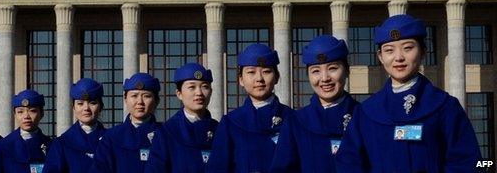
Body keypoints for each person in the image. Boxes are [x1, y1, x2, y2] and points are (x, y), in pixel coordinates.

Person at [335, 14, 483, 172]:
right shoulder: (366, 112)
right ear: (380, 57)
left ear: (423, 52)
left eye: (408, 48)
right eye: (389, 50)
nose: (398, 57)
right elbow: (348, 163)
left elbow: (468, 163)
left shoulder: (445, 107)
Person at [270, 35, 359, 172]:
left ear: (347, 70)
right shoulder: (296, 122)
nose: (324, 78)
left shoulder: (363, 116)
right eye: (316, 71)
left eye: (333, 68)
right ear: (308, 76)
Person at [206, 43, 293, 173]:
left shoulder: (293, 119)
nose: (259, 79)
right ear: (240, 80)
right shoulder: (230, 123)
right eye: (251, 72)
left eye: (266, 71)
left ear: (277, 77)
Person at [146, 63, 219, 173]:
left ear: (211, 91)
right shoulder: (166, 132)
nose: (199, 93)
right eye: (191, 87)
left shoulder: (220, 130)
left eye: (205, 87)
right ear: (179, 94)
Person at [90, 72, 162, 173]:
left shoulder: (166, 135)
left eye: (146, 96)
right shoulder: (111, 137)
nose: (139, 102)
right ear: (125, 99)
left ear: (157, 101)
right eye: (134, 96)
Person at [43, 78, 107, 173]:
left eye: (92, 103)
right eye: (80, 104)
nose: (86, 108)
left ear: (101, 107)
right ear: (73, 107)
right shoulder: (61, 144)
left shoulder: (113, 141)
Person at [0, 89, 52, 173]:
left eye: (32, 111)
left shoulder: (52, 146)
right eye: (20, 112)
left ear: (41, 114)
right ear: (14, 114)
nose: (26, 116)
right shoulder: (3, 146)